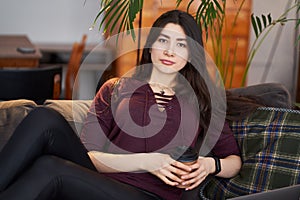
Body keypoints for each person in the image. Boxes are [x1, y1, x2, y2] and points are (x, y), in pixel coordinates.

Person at [0, 10, 242, 200]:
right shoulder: (116, 88)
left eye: (181, 44)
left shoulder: (200, 101)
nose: (170, 51)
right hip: (98, 182)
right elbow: (90, 156)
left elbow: (234, 159)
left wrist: (210, 164)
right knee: (43, 119)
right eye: (163, 40)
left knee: (49, 168)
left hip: (150, 195)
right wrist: (147, 161)